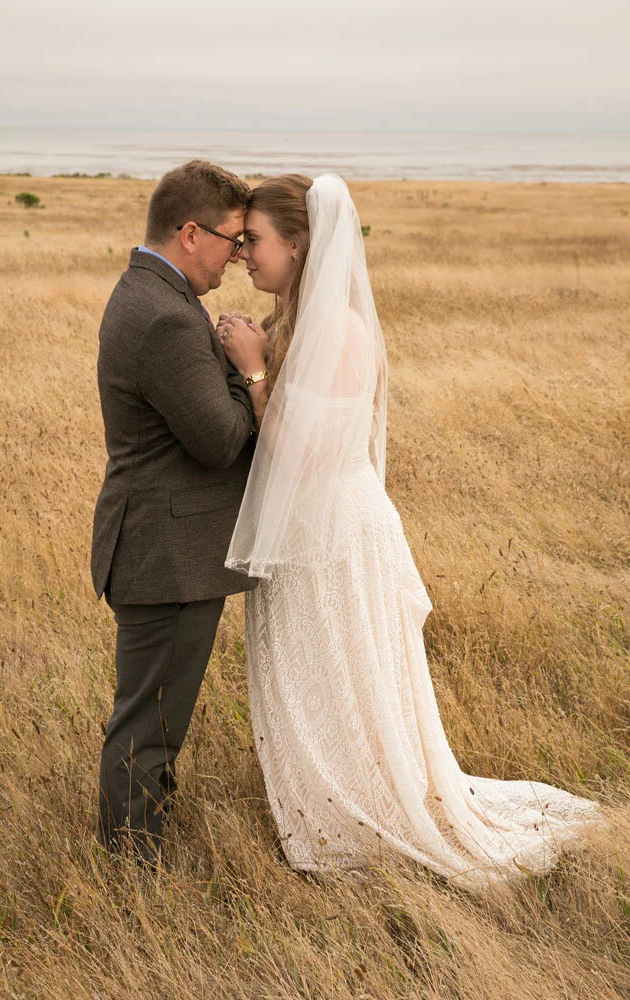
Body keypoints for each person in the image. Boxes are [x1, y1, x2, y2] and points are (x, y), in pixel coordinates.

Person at [216, 173, 601, 890]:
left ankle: (362, 816)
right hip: (308, 532)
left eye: (254, 240)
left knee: (343, 676)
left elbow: (303, 453)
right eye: (237, 242)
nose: (242, 253)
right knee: (314, 676)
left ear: (297, 244)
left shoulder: (336, 327)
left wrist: (253, 370)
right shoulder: (298, 317)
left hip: (333, 534)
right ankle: (326, 802)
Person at [91, 160, 268, 861]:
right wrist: (251, 372)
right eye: (232, 238)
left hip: (163, 545)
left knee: (154, 715)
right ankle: (134, 867)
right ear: (189, 232)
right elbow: (220, 440)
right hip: (164, 552)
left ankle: (140, 844)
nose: (239, 254)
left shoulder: (158, 292)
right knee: (150, 723)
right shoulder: (163, 314)